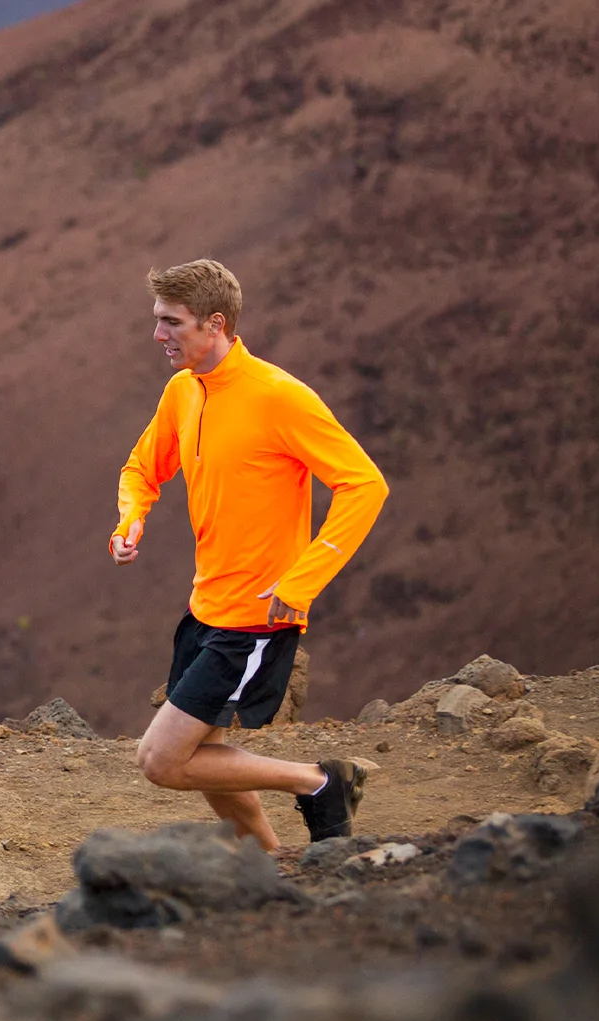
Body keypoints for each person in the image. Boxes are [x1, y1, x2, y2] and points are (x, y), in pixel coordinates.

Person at [112, 260, 389, 849]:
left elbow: (365, 485)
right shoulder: (184, 391)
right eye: (157, 321)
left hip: (258, 615)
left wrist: (302, 581)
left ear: (215, 325)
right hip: (205, 606)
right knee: (201, 754)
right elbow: (143, 467)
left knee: (161, 760)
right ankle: (268, 861)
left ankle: (318, 783)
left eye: (171, 323)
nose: (158, 335)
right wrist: (131, 519)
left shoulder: (280, 397)